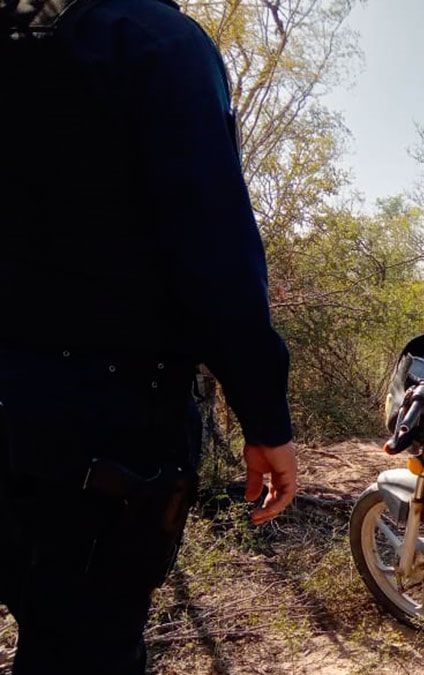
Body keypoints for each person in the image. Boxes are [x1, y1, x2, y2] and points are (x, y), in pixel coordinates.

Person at [0, 1, 298, 673]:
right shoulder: (156, 42)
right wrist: (264, 414)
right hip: (102, 430)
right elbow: (214, 248)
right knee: (83, 646)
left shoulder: (24, 37)